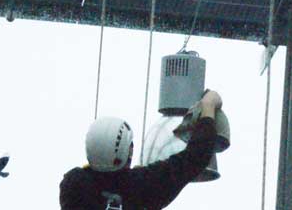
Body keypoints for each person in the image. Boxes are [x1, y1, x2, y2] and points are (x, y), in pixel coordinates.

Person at [59, 89, 222, 210]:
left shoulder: (74, 185)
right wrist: (208, 107)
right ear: (126, 152)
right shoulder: (142, 185)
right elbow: (195, 157)